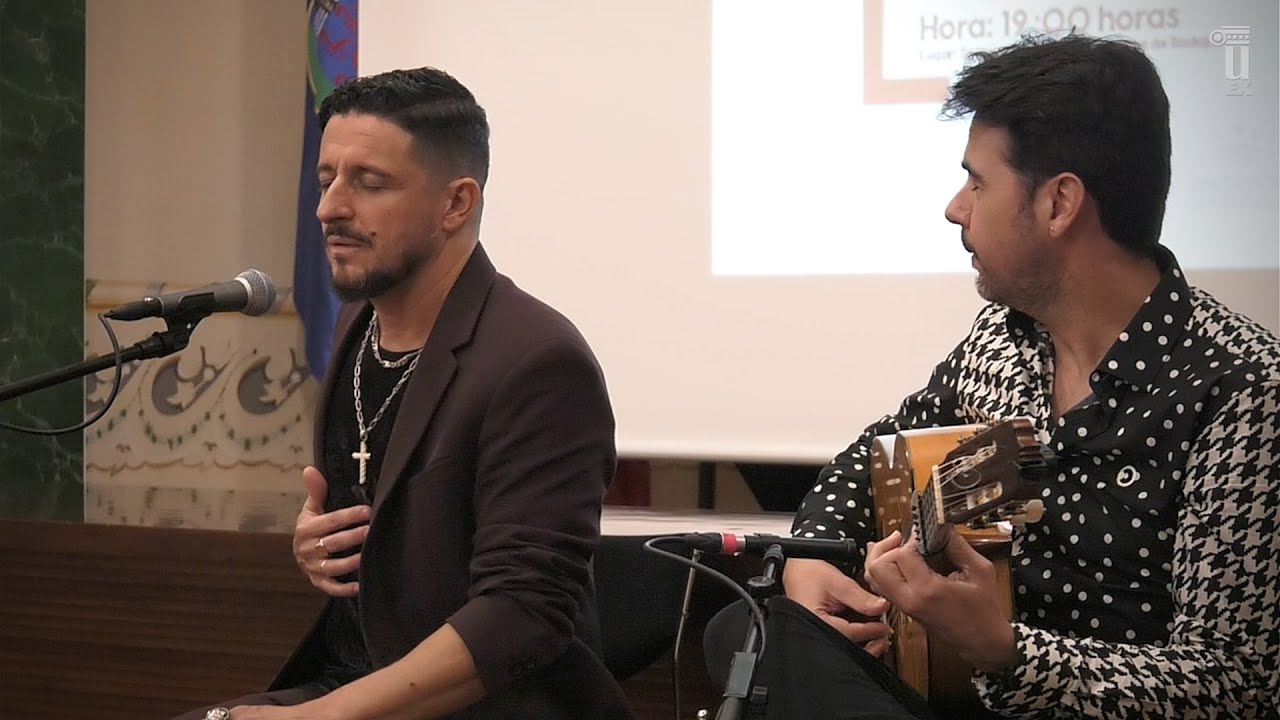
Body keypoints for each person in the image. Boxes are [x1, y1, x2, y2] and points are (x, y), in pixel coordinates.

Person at [715, 33, 1280, 719]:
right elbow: (873, 459)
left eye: (978, 182)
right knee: (751, 632)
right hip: (966, 696)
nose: (956, 208)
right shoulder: (1006, 340)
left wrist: (1008, 652)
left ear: (1059, 204)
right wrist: (810, 558)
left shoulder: (1242, 389)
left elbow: (1236, 685)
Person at [173, 67, 634, 719]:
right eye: (327, 178)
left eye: (369, 183)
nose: (330, 208)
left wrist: (320, 718)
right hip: (357, 678)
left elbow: (522, 616)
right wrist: (321, 537)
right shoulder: (358, 323)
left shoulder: (538, 360)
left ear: (456, 204)